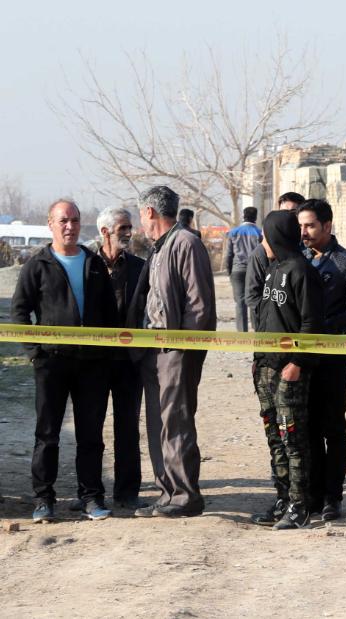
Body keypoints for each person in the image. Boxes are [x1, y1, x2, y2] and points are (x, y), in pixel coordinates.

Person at [12, 199, 118, 523]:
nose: (69, 226)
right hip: (52, 365)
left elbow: (110, 313)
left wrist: (106, 353)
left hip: (92, 366)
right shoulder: (37, 264)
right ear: (50, 225)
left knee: (91, 435)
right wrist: (35, 352)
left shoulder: (95, 263)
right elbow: (18, 312)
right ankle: (44, 499)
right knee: (47, 435)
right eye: (63, 221)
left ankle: (91, 498)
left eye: (74, 220)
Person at [133, 185, 217, 518]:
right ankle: (167, 491)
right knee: (159, 422)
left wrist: (185, 350)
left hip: (175, 350)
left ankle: (185, 495)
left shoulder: (186, 243)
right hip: (154, 350)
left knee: (176, 421)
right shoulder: (160, 247)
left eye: (140, 213)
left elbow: (199, 305)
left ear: (149, 212)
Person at [248, 210, 326, 530]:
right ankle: (282, 499)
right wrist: (258, 357)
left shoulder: (302, 271)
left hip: (290, 370)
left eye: (266, 235)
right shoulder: (272, 268)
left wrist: (298, 363)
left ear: (277, 236)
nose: (262, 241)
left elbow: (312, 323)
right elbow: (267, 320)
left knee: (292, 437)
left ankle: (299, 505)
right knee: (274, 437)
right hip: (266, 367)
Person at [298, 199, 346, 521]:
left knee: (332, 426)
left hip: (334, 356)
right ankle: (312, 495)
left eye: (310, 225)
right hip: (303, 356)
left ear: (327, 226)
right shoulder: (298, 259)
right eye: (300, 225)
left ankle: (333, 496)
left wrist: (332, 325)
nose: (304, 232)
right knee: (308, 427)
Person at [87, 207, 147, 509]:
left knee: (127, 428)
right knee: (91, 428)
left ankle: (127, 492)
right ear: (105, 231)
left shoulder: (140, 267)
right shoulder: (86, 264)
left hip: (128, 363)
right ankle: (91, 492)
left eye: (129, 226)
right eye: (123, 227)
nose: (128, 232)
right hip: (94, 362)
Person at [245, 192, 305, 315]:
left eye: (292, 213)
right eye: (282, 212)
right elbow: (252, 297)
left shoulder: (307, 246)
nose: (286, 217)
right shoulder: (262, 251)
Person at [224, 206, 263, 332]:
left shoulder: (233, 232)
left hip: (237, 270)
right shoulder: (259, 233)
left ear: (243, 216)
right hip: (254, 270)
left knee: (240, 302)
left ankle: (242, 332)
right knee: (254, 299)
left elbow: (228, 255)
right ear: (255, 217)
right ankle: (256, 328)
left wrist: (230, 272)